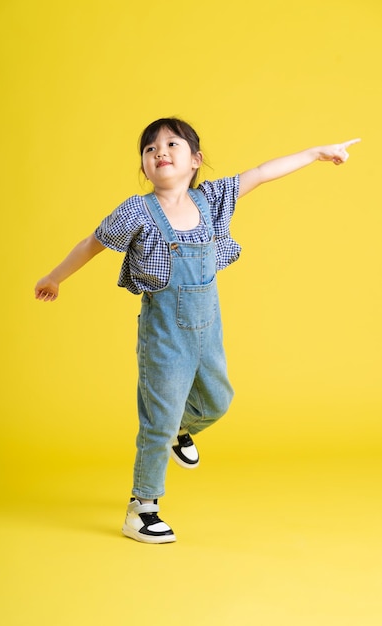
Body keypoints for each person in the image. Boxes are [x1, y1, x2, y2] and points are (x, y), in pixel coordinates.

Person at [35, 117, 360, 544]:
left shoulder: (212, 200)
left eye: (171, 144)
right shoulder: (137, 212)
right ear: (145, 166)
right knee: (157, 420)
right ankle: (142, 508)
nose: (159, 152)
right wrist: (55, 277)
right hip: (164, 335)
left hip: (209, 328)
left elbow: (261, 173)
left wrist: (316, 153)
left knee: (218, 401)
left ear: (195, 160)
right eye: (149, 149)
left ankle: (179, 429)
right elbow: (91, 244)